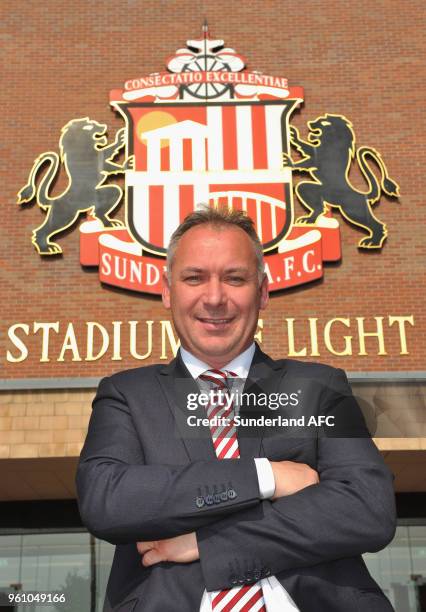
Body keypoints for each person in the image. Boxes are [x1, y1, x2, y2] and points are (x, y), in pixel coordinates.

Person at [76, 207, 396, 612]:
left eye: (235, 278)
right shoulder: (126, 395)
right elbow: (108, 500)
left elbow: (369, 507)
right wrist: (267, 477)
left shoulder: (318, 387)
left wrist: (208, 543)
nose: (214, 297)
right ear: (167, 290)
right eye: (194, 278)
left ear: (262, 291)